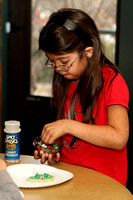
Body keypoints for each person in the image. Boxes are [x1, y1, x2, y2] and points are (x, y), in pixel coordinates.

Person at [34, 8, 129, 186]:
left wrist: (67, 125)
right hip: (67, 176)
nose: (58, 69)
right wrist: (54, 146)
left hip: (104, 183)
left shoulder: (111, 81)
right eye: (52, 62)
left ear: (88, 52)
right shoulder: (64, 81)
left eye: (64, 62)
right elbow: (70, 141)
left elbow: (119, 137)